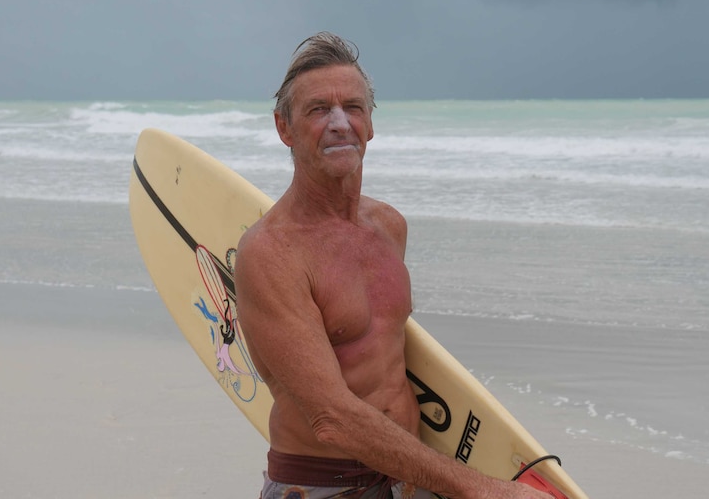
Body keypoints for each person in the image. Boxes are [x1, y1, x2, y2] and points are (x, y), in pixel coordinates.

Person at [234, 32, 551, 499]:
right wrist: (484, 490)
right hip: (323, 486)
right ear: (284, 129)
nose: (341, 123)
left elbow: (386, 356)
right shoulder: (271, 254)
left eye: (354, 108)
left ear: (371, 124)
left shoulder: (388, 226)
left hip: (410, 479)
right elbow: (332, 419)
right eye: (319, 109)